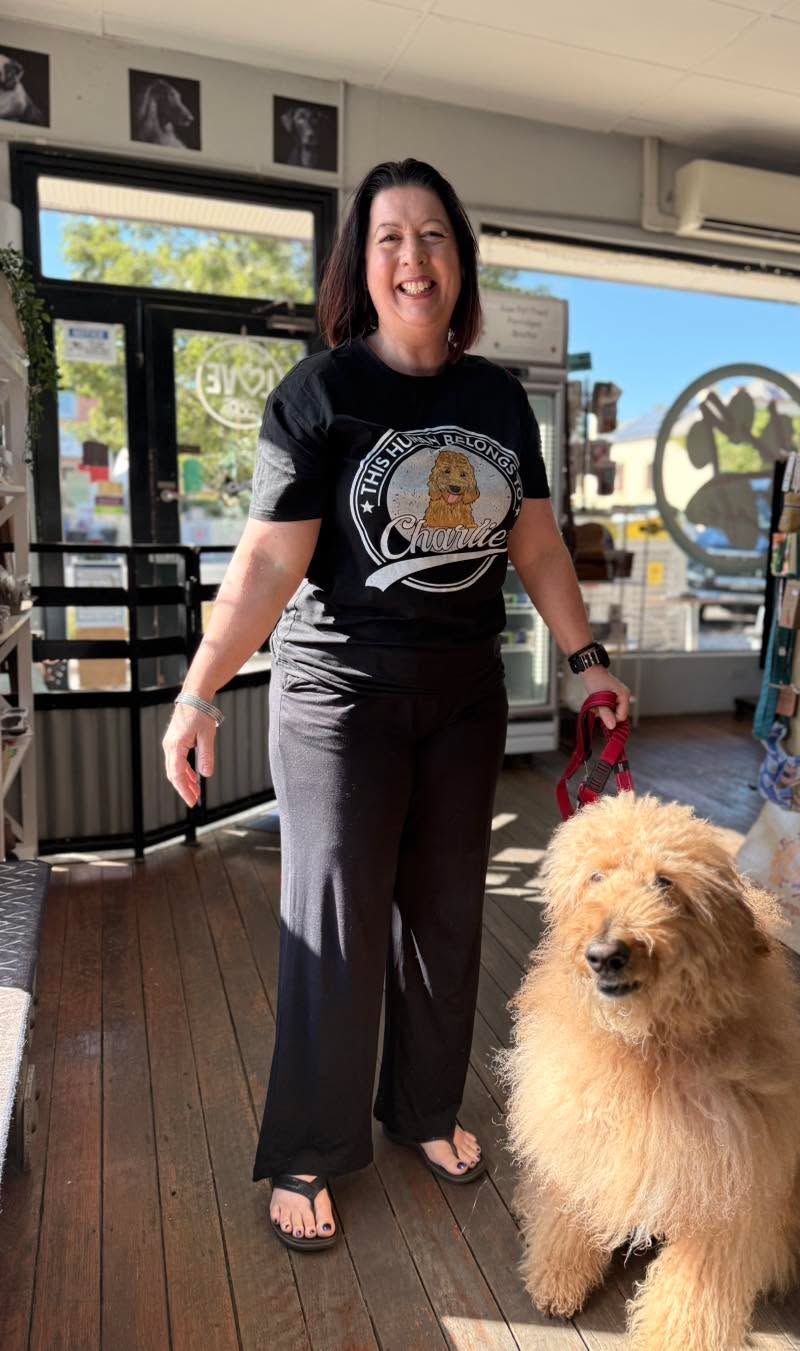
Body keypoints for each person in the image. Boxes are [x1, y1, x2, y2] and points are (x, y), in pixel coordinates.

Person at [162, 158, 630, 1251]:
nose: (412, 258)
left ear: (459, 260)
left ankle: (424, 1108)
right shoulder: (321, 395)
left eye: (432, 237)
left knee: (447, 917)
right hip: (340, 694)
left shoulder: (497, 398)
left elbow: (537, 542)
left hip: (464, 691)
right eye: (389, 239)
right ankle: (308, 1147)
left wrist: (588, 659)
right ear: (360, 265)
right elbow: (266, 569)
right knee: (335, 920)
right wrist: (198, 692)